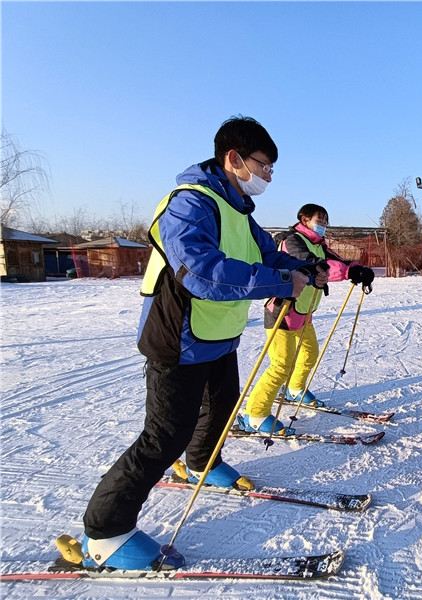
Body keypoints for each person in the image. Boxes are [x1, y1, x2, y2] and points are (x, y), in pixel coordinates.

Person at [78, 116, 328, 571]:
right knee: (163, 435)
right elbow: (203, 270)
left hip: (218, 335)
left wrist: (306, 269)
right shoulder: (189, 204)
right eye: (263, 167)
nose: (268, 177)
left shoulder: (237, 208)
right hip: (179, 338)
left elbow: (267, 252)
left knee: (222, 406)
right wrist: (279, 280)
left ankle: (202, 464)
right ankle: (105, 532)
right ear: (233, 158)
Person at [240, 203, 375, 434]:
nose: (322, 224)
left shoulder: (320, 244)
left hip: (304, 313)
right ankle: (255, 413)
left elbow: (337, 261)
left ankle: (294, 389)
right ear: (304, 220)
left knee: (310, 353)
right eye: (318, 220)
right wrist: (345, 272)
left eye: (325, 220)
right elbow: (311, 264)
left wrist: (357, 269)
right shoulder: (293, 241)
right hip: (282, 312)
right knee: (281, 364)